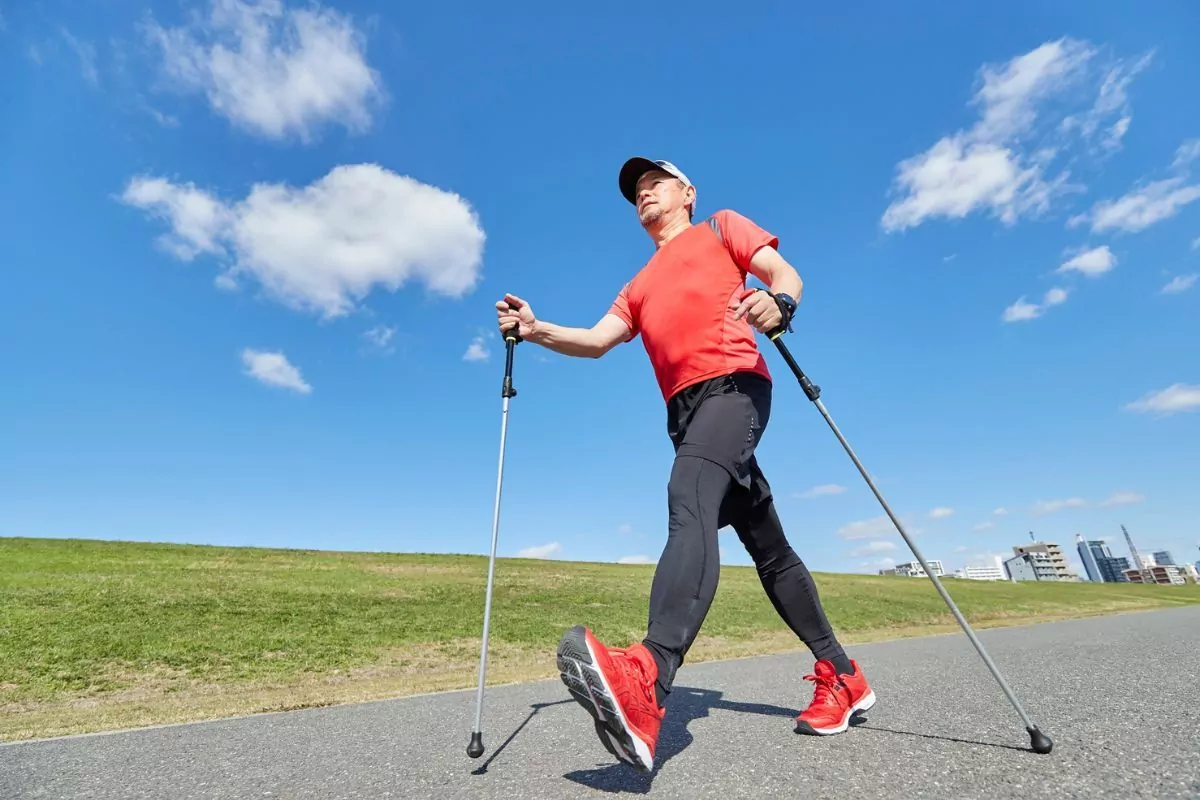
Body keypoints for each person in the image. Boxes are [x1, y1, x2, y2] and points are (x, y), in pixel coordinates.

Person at [495, 157, 875, 773]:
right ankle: (843, 674)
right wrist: (535, 330)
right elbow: (595, 341)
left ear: (686, 192)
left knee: (688, 495)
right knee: (769, 547)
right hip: (687, 414)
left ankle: (650, 676)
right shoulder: (637, 285)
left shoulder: (721, 228)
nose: (643, 193)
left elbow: (782, 271)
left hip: (734, 389)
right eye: (635, 192)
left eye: (655, 183)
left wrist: (780, 302)